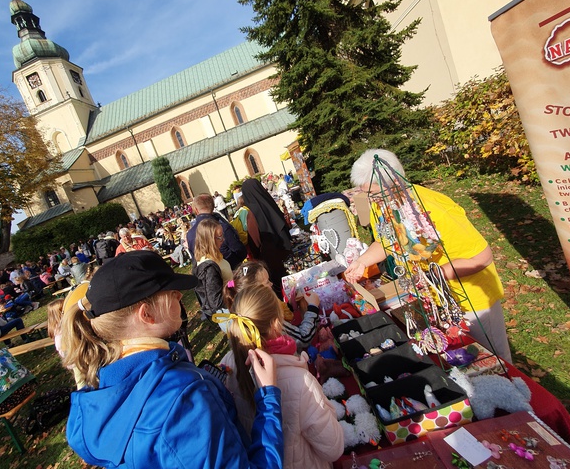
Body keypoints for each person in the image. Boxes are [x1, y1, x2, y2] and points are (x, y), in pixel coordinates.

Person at [60, 250, 284, 468]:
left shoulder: (105, 390)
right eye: (170, 291)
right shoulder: (185, 397)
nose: (179, 294)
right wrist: (268, 397)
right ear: (146, 314)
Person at [343, 148, 512, 363]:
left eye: (373, 193)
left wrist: (434, 277)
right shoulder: (381, 205)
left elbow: (482, 257)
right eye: (365, 193)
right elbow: (386, 241)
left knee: (492, 359)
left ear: (394, 185)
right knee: (459, 358)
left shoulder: (431, 208)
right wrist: (361, 261)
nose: (370, 199)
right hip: (434, 298)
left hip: (471, 298)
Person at [215, 284, 343, 469]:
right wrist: (326, 405)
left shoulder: (227, 365)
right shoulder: (300, 383)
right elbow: (333, 448)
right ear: (276, 323)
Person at [223, 261, 320, 351]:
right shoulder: (268, 318)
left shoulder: (251, 313)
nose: (271, 284)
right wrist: (313, 307)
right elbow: (303, 338)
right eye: (267, 282)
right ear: (256, 293)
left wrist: (290, 305)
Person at [240, 178, 292, 290]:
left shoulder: (250, 213)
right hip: (283, 248)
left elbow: (255, 241)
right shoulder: (268, 202)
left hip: (268, 257)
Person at [187, 193, 247, 269]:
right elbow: (239, 249)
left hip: (212, 272)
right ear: (213, 206)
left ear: (196, 209)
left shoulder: (190, 234)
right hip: (230, 270)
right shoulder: (221, 227)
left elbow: (195, 260)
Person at [192, 219, 233, 322]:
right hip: (229, 314)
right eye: (219, 237)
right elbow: (215, 301)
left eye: (222, 235)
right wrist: (236, 295)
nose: (223, 239)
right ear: (209, 240)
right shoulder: (208, 267)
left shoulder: (215, 255)